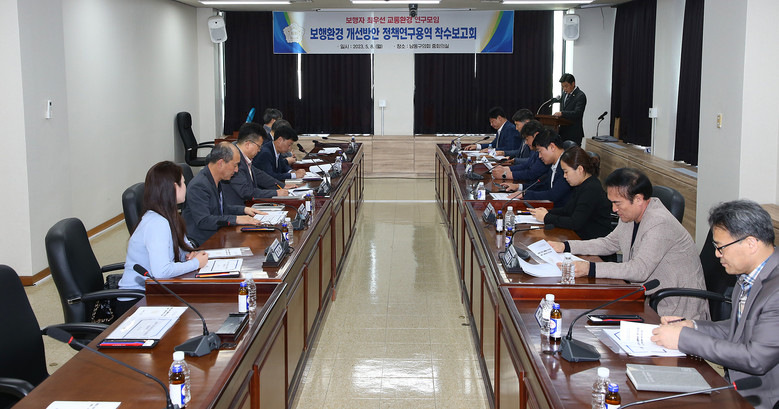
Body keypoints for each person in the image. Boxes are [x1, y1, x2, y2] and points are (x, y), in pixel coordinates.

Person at [652, 200, 778, 408]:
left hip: (761, 398)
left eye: (721, 247)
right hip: (733, 384)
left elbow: (755, 359)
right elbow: (741, 328)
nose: (717, 254)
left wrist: (684, 339)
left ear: (750, 244)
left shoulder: (776, 291)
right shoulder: (751, 274)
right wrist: (693, 326)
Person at [548, 168, 708, 319]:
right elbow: (608, 243)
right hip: (645, 297)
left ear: (638, 199)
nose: (613, 209)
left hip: (674, 308)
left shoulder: (659, 222)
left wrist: (589, 268)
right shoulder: (631, 215)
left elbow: (639, 270)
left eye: (617, 203)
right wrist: (565, 246)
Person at [116, 161, 209, 316]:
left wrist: (189, 255)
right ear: (174, 187)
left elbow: (182, 248)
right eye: (183, 182)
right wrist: (195, 263)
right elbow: (162, 272)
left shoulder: (169, 216)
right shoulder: (157, 223)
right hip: (136, 302)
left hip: (155, 290)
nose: (186, 186)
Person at [183, 142, 264, 246]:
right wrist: (236, 219)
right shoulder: (199, 185)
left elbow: (221, 209)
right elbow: (204, 221)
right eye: (235, 165)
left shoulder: (217, 180)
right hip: (203, 242)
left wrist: (244, 210)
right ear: (220, 163)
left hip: (218, 235)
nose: (236, 170)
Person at [528, 146, 613, 240]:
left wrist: (546, 217)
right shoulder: (581, 185)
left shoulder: (591, 189)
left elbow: (575, 223)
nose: (564, 176)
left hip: (593, 243)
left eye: (566, 172)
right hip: (579, 237)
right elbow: (567, 210)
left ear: (580, 169)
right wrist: (546, 212)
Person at [222, 122, 293, 206]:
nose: (259, 150)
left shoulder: (243, 156)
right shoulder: (233, 160)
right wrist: (276, 193)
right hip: (239, 208)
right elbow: (246, 191)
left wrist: (281, 186)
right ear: (248, 144)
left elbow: (259, 175)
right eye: (259, 146)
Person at [503, 130, 572, 207]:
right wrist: (519, 187)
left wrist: (525, 194)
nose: (539, 156)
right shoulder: (554, 163)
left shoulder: (567, 166)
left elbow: (553, 195)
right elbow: (544, 186)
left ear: (552, 147)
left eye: (540, 151)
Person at [554, 73, 586, 145]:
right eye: (563, 87)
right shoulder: (564, 94)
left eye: (566, 86)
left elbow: (577, 113)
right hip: (563, 132)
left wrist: (562, 113)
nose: (564, 89)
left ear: (573, 84)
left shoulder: (580, 95)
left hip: (574, 133)